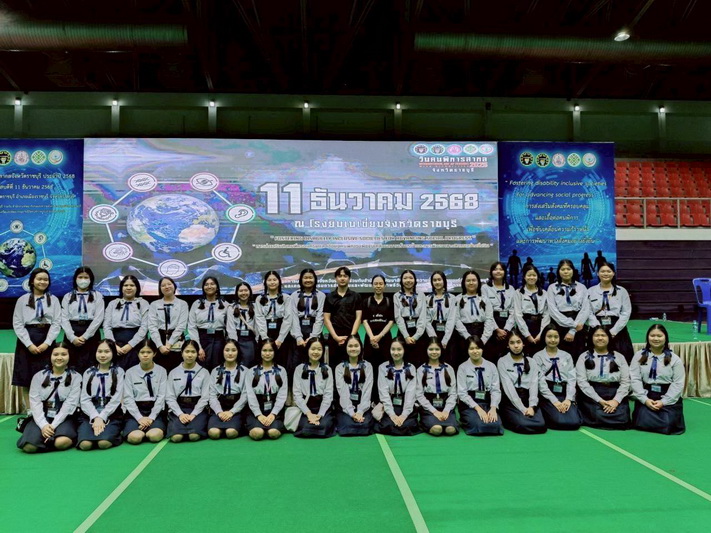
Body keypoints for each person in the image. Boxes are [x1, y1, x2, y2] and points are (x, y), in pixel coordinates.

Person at [17, 341, 81, 453]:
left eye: (64, 354)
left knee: (62, 442)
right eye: (55, 354)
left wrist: (53, 426)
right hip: (42, 415)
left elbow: (70, 404)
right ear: (50, 356)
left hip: (65, 417)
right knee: (29, 447)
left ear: (70, 356)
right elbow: (35, 403)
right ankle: (45, 440)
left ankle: (47, 442)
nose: (59, 357)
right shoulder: (38, 376)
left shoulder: (76, 377)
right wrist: (44, 425)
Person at [12, 268, 63, 410]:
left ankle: (45, 410)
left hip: (46, 338)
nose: (43, 282)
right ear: (32, 281)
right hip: (27, 340)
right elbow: (17, 323)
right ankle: (30, 411)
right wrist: (29, 344)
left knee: (47, 376)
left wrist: (47, 343)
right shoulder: (22, 300)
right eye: (39, 279)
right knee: (26, 377)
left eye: (46, 279)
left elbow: (56, 323)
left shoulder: (53, 300)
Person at [629, 324, 685, 435]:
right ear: (647, 337)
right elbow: (635, 379)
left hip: (667, 395)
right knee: (641, 421)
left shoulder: (675, 359)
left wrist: (663, 402)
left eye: (659, 336)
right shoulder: (639, 356)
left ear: (665, 338)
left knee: (668, 424)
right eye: (652, 335)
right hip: (647, 394)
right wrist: (645, 400)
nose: (655, 339)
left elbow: (678, 383)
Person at [576, 326, 631, 429]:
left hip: (614, 392)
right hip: (593, 393)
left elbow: (625, 382)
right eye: (596, 335)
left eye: (603, 335)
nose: (600, 338)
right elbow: (582, 382)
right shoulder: (583, 357)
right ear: (591, 338)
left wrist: (616, 401)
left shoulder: (619, 357)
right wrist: (599, 400)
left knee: (622, 418)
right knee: (596, 414)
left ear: (609, 337)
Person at [77, 339, 125, 450]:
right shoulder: (88, 372)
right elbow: (84, 399)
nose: (103, 355)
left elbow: (116, 399)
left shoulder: (119, 372)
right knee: (85, 445)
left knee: (104, 443)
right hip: (90, 412)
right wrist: (95, 417)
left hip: (111, 413)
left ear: (113, 353)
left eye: (107, 352)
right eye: (100, 351)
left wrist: (102, 417)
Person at [497, 329, 546, 434]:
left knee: (541, 424)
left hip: (527, 399)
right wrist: (523, 409)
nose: (516, 346)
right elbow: (508, 388)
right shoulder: (502, 362)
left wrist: (531, 406)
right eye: (512, 343)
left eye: (518, 342)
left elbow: (534, 385)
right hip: (510, 400)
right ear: (507, 345)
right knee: (522, 424)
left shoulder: (531, 362)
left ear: (523, 344)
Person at [532, 326, 582, 430]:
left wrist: (568, 399)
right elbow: (540, 382)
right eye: (549, 336)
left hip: (564, 393)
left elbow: (571, 379)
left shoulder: (567, 356)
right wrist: (555, 401)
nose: (553, 340)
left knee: (575, 422)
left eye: (556, 337)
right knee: (559, 421)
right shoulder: (538, 356)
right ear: (544, 337)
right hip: (547, 394)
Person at [122, 339, 167, 444]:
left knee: (154, 436)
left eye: (149, 352)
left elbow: (161, 397)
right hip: (136, 410)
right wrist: (139, 418)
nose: (145, 355)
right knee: (135, 438)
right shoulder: (130, 372)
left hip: (155, 410)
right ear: (138, 354)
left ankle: (152, 426)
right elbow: (128, 398)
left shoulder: (162, 371)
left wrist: (151, 417)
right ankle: (138, 427)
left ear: (154, 353)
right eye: (142, 352)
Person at [61, 266, 105, 374]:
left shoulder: (97, 296)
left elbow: (98, 318)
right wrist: (72, 337)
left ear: (91, 279)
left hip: (91, 333)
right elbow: (63, 318)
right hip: (72, 333)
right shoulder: (67, 296)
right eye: (80, 277)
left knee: (91, 366)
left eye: (86, 277)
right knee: (71, 366)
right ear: (75, 279)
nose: (83, 280)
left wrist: (85, 336)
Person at [586, 262, 633, 362]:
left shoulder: (621, 291)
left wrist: (614, 331)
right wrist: (598, 329)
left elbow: (626, 312)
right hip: (596, 327)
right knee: (594, 359)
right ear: (597, 273)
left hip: (617, 328)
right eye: (602, 271)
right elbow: (588, 312)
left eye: (608, 271)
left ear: (613, 273)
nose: (605, 274)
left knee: (622, 358)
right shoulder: (590, 291)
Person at [457, 336, 503, 436]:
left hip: (487, 403)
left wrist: (493, 408)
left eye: (478, 348)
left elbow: (495, 390)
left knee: (495, 425)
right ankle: (466, 419)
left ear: (482, 349)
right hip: (470, 405)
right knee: (480, 425)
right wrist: (478, 409)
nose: (475, 351)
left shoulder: (491, 366)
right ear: (467, 350)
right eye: (471, 348)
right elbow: (462, 393)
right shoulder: (462, 367)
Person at [375, 336, 421, 436]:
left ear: (404, 350)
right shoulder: (383, 367)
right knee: (388, 425)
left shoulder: (411, 368)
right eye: (393, 349)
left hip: (405, 405)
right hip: (389, 404)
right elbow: (383, 393)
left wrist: (404, 415)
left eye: (399, 349)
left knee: (408, 425)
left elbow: (410, 394)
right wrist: (392, 414)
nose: (396, 353)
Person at [165, 340, 210, 442]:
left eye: (193, 352)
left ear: (197, 353)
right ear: (181, 353)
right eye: (187, 351)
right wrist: (180, 414)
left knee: (194, 436)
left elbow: (205, 397)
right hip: (179, 407)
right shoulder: (173, 372)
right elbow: (170, 397)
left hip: (197, 408)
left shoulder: (204, 372)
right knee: (176, 438)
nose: (190, 355)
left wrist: (194, 414)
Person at [291, 336, 336, 438]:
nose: (316, 352)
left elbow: (328, 395)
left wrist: (320, 414)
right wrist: (309, 414)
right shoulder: (299, 369)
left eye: (319, 349)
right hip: (306, 406)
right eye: (313, 349)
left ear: (323, 351)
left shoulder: (327, 369)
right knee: (306, 427)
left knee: (323, 425)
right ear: (307, 350)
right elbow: (297, 395)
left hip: (322, 406)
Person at [245, 339, 288, 440]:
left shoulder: (281, 371)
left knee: (273, 433)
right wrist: (258, 415)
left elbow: (282, 395)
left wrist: (273, 414)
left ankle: (273, 424)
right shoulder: (251, 371)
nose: (267, 354)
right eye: (264, 350)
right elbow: (250, 395)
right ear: (259, 351)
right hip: (256, 409)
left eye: (270, 350)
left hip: (275, 409)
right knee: (257, 433)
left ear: (275, 352)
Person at [103, 275, 149, 370]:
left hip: (137, 344)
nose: (128, 288)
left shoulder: (144, 303)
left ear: (137, 287)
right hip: (116, 344)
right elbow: (106, 326)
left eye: (132, 285)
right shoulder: (112, 304)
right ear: (121, 288)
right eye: (125, 285)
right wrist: (113, 345)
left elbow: (144, 327)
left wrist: (130, 345)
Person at [547, 259, 590, 359]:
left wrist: (573, 330)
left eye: (568, 269)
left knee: (578, 355)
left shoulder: (582, 287)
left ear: (573, 270)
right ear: (558, 271)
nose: (566, 272)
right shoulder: (552, 287)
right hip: (559, 325)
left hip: (578, 324)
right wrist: (573, 324)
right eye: (563, 269)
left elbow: (585, 309)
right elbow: (553, 311)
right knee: (560, 357)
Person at [207, 338, 249, 440]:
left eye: (233, 350)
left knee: (231, 433)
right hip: (219, 407)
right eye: (227, 350)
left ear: (238, 352)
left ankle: (239, 425)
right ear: (222, 352)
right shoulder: (215, 371)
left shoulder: (245, 371)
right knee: (213, 433)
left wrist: (232, 412)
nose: (230, 353)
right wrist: (219, 412)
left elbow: (245, 396)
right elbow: (212, 395)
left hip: (237, 408)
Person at [416, 338, 458, 436]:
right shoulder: (421, 370)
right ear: (426, 350)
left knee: (450, 430)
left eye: (437, 349)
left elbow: (453, 393)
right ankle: (426, 422)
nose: (434, 352)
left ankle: (448, 419)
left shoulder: (449, 368)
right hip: (429, 407)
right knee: (437, 430)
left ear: (441, 350)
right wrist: (434, 411)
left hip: (445, 405)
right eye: (431, 349)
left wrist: (446, 410)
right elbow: (419, 395)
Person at [335, 335, 375, 436]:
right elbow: (342, 392)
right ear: (346, 348)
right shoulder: (340, 367)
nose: (353, 349)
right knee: (347, 426)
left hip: (363, 403)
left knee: (365, 425)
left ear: (361, 347)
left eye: (356, 346)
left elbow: (367, 391)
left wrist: (360, 411)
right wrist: (352, 413)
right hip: (346, 404)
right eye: (350, 346)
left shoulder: (367, 366)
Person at [323, 266, 363, 369]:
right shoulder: (329, 297)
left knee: (355, 366)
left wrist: (351, 337)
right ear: (336, 278)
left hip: (352, 335)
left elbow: (358, 318)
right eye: (339, 276)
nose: (342, 278)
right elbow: (326, 319)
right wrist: (335, 337)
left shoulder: (356, 296)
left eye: (345, 276)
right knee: (334, 366)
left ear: (349, 278)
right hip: (335, 336)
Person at [453, 270, 495, 365]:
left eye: (474, 280)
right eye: (468, 281)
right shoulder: (458, 299)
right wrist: (467, 337)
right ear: (463, 283)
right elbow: (456, 319)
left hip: (482, 332)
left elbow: (489, 319)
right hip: (464, 334)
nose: (471, 283)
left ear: (478, 282)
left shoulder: (485, 299)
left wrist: (484, 339)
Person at [289, 269, 326, 377]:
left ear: (315, 279)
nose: (308, 280)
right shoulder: (294, 295)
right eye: (305, 278)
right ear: (301, 279)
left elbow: (320, 317)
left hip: (314, 329)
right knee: (296, 362)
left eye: (310, 277)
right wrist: (298, 337)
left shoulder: (321, 295)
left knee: (315, 359)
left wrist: (313, 337)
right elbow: (293, 317)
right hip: (298, 330)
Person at [254, 271, 294, 370]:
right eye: (269, 280)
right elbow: (259, 318)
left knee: (282, 360)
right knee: (264, 360)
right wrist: (265, 338)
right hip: (265, 331)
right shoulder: (259, 298)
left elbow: (288, 319)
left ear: (279, 281)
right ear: (265, 282)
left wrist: (280, 339)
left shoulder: (286, 298)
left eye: (274, 280)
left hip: (282, 331)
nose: (272, 282)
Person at [187, 276, 228, 371]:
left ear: (217, 287)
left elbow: (229, 327)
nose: (209, 286)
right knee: (201, 367)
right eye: (206, 284)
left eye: (212, 284)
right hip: (202, 338)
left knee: (217, 367)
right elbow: (192, 327)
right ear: (203, 287)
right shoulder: (196, 304)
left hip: (219, 339)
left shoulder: (225, 304)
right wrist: (198, 347)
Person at [148, 276, 189, 371]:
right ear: (160, 288)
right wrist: (160, 346)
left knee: (177, 369)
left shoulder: (183, 304)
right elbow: (152, 326)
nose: (166, 287)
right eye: (163, 285)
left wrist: (169, 344)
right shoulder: (154, 304)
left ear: (174, 286)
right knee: (158, 370)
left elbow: (181, 326)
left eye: (169, 284)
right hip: (158, 339)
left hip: (176, 339)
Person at [393, 270, 428, 366]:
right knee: (403, 361)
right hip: (403, 331)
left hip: (419, 332)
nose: (408, 280)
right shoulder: (396, 296)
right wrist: (406, 336)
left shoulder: (421, 295)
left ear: (415, 280)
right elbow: (398, 318)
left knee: (420, 360)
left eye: (411, 278)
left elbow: (423, 317)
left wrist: (416, 336)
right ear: (401, 281)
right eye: (405, 278)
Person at [483, 262, 517, 361]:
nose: (498, 271)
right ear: (491, 272)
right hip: (492, 323)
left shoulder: (511, 289)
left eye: (501, 269)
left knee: (507, 355)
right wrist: (497, 330)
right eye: (495, 269)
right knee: (492, 355)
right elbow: (486, 311)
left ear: (505, 272)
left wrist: (506, 329)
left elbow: (513, 310)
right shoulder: (485, 288)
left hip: (507, 324)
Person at [514, 265, 550, 354]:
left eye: (534, 275)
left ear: (537, 277)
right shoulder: (518, 293)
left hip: (540, 327)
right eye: (529, 275)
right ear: (524, 277)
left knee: (539, 353)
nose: (531, 277)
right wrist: (527, 335)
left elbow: (546, 314)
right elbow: (518, 315)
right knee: (525, 353)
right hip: (525, 326)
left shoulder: (544, 293)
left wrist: (541, 333)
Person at [362, 274, 395, 372]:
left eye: (381, 284)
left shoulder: (389, 302)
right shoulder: (367, 301)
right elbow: (364, 321)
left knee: (386, 367)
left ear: (384, 285)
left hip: (385, 339)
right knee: (369, 367)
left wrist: (380, 336)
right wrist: (372, 337)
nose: (378, 286)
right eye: (376, 284)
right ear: (372, 285)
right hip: (370, 339)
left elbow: (391, 321)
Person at [424, 271, 456, 363]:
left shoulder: (452, 298)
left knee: (448, 359)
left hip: (448, 332)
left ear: (444, 281)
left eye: (439, 279)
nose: (437, 282)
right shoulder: (427, 298)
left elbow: (451, 319)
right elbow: (426, 320)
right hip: (432, 331)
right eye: (434, 280)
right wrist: (433, 338)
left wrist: (445, 339)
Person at [226, 282, 258, 368]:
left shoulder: (255, 307)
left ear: (250, 291)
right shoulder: (231, 307)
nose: (243, 293)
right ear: (237, 293)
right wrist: (234, 345)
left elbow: (257, 326)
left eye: (246, 290)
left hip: (250, 340)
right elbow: (230, 328)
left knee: (250, 364)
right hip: (237, 339)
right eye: (241, 291)